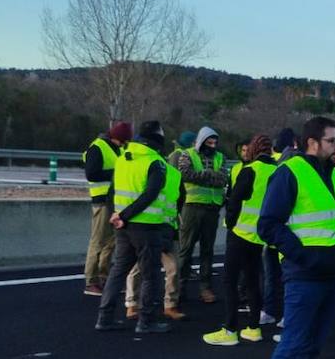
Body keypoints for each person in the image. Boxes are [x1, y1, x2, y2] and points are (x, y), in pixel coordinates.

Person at [254, 117, 335, 359]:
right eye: (333, 141)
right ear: (313, 143)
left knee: (312, 347)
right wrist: (303, 256)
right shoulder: (290, 172)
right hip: (305, 277)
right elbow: (268, 224)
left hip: (333, 277)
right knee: (291, 346)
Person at [96, 120, 182, 336]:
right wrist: (125, 215)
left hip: (123, 226)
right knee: (150, 274)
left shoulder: (123, 159)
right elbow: (151, 194)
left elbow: (112, 192)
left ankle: (104, 318)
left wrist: (118, 216)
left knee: (118, 270)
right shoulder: (156, 162)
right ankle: (146, 321)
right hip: (147, 226)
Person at [204, 135, 276, 346]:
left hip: (240, 233)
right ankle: (254, 328)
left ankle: (230, 329)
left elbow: (234, 200)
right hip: (260, 235)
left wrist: (231, 223)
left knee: (230, 280)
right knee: (253, 280)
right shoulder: (279, 171)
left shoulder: (250, 170)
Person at [175, 126, 229, 303]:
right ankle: (179, 287)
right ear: (201, 141)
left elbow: (223, 179)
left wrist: (205, 176)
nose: (212, 145)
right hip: (192, 207)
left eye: (215, 142)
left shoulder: (220, 157)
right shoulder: (188, 155)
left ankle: (205, 288)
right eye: (209, 142)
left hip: (212, 208)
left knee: (207, 250)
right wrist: (208, 174)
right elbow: (185, 174)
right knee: (186, 249)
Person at [82, 121, 130, 296]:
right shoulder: (98, 147)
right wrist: (116, 173)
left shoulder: (119, 149)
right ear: (115, 137)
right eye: (122, 141)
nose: (124, 144)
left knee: (111, 242)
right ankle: (91, 281)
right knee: (98, 241)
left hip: (115, 201)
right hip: (102, 201)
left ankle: (104, 277)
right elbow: (92, 174)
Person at [260, 127, 298, 331]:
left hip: (275, 230)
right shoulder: (298, 165)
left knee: (273, 274)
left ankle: (270, 311)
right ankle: (283, 313)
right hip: (288, 231)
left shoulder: (278, 166)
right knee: (285, 276)